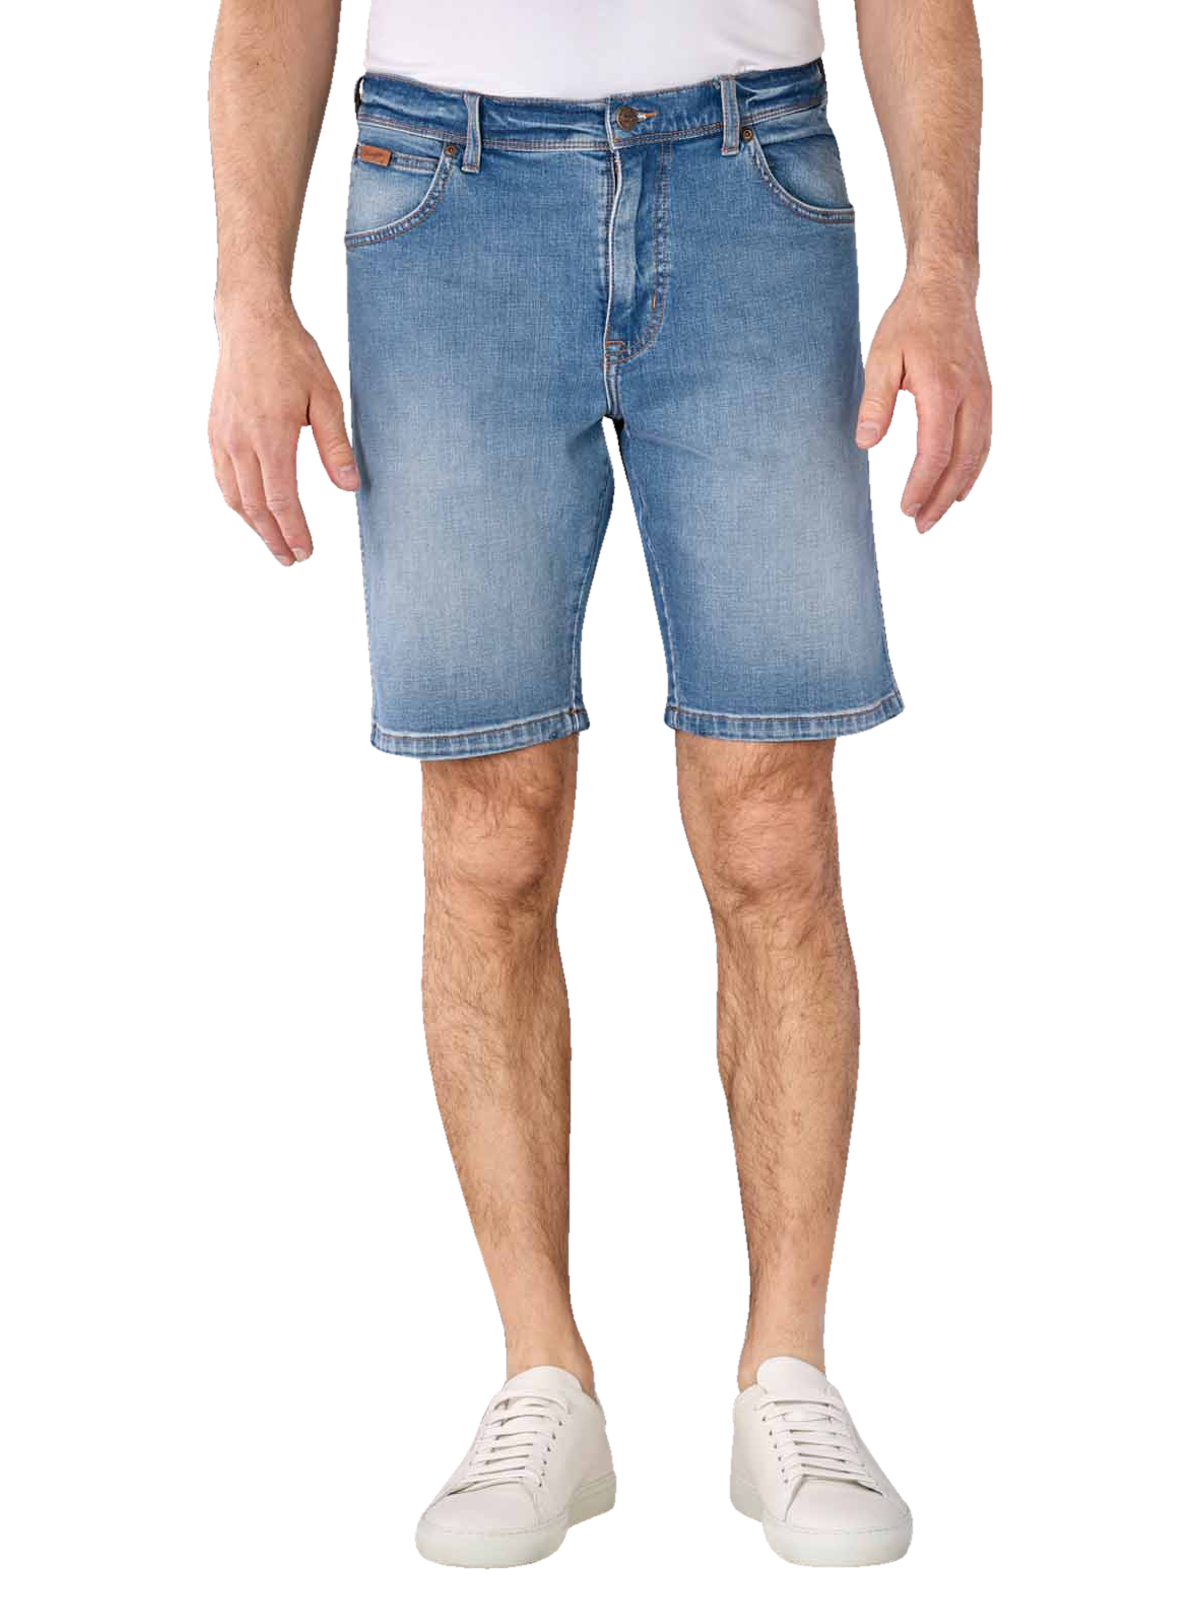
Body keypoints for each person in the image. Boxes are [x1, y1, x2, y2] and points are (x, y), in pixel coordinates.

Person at [209, 0, 990, 1569]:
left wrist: (946, 264)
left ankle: (790, 1374)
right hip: (444, 191)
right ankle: (538, 1379)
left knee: (775, 820)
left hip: (755, 170)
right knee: (487, 830)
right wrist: (246, 296)